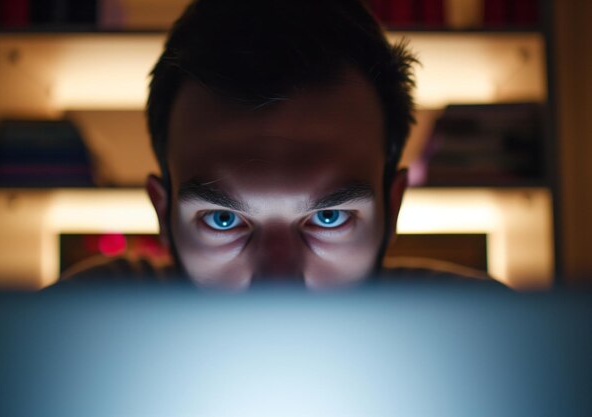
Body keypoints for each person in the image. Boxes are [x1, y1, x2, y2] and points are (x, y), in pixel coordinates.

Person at [62, 0, 494, 290]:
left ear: (393, 206)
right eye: (222, 219)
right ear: (162, 212)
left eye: (329, 217)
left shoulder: (494, 344)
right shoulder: (60, 341)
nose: (277, 284)